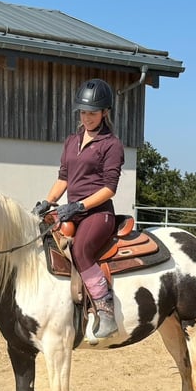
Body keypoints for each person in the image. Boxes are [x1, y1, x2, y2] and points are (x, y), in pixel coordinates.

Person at [33, 78, 124, 339]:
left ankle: (105, 308)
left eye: (92, 113)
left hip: (98, 214)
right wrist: (48, 202)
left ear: (105, 112)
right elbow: (63, 177)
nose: (87, 118)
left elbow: (109, 188)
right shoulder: (71, 141)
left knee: (81, 250)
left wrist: (79, 205)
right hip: (72, 210)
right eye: (83, 112)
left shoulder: (111, 145)